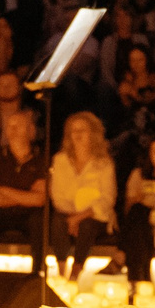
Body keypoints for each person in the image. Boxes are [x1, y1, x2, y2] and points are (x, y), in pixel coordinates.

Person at [0, 110, 49, 273]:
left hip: (28, 216)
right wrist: (25, 196)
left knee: (40, 220)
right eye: (9, 126)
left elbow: (39, 199)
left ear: (31, 130)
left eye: (18, 125)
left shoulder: (40, 160)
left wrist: (3, 190)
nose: (13, 129)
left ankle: (37, 272)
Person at [47, 111, 117, 278]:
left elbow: (108, 199)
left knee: (87, 225)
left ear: (92, 133)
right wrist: (73, 216)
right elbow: (56, 195)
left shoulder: (104, 163)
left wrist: (79, 217)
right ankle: (61, 271)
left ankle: (76, 272)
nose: (78, 134)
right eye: (74, 130)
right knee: (58, 221)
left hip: (95, 216)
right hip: (66, 213)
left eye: (82, 130)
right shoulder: (59, 160)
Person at [116, 135, 155, 281]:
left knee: (138, 214)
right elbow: (128, 209)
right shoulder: (139, 175)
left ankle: (123, 255)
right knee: (138, 213)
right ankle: (142, 279)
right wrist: (138, 197)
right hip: (141, 224)